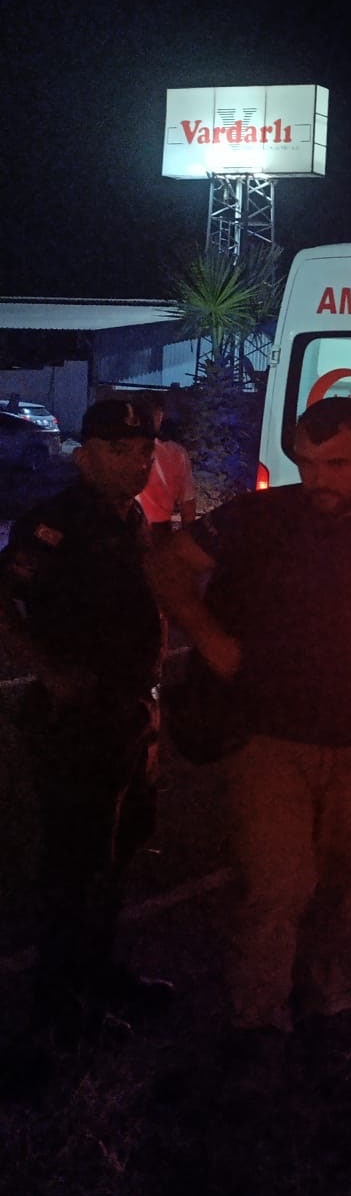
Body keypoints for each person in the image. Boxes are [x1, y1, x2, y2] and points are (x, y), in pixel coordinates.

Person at [147, 398, 351, 1057]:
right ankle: (258, 1018)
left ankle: (333, 1003)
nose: (318, 478)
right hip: (270, 736)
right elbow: (165, 564)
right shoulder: (261, 517)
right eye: (307, 462)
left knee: (350, 878)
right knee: (278, 883)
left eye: (337, 464)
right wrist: (210, 640)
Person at [0, 401, 168, 1041]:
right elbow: (4, 599)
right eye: (120, 450)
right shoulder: (56, 524)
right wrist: (48, 671)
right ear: (84, 454)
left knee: (118, 853)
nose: (137, 463)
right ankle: (58, 1004)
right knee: (75, 863)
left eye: (144, 451)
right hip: (78, 720)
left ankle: (97, 976)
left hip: (131, 711)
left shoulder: (130, 517)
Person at [136, 400, 197, 538]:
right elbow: (188, 506)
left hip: (136, 530)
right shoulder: (175, 453)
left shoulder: (121, 452)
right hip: (157, 531)